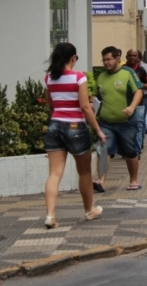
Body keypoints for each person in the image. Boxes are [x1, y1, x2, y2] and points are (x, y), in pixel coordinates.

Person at [43, 43, 106, 228]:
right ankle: (89, 211)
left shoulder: (48, 79)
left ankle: (50, 215)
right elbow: (85, 107)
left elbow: (51, 106)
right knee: (85, 171)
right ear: (72, 58)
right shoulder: (79, 77)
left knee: (54, 173)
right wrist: (98, 130)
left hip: (55, 126)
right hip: (75, 126)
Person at [93, 46, 143, 191]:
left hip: (127, 122)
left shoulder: (128, 73)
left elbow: (138, 91)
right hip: (106, 122)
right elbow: (96, 94)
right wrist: (91, 102)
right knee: (104, 149)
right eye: (104, 60)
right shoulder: (101, 76)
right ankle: (101, 181)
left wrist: (131, 107)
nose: (106, 63)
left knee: (130, 152)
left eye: (109, 59)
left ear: (117, 59)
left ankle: (134, 180)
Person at [125, 50, 147, 150]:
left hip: (141, 102)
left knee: (139, 124)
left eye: (135, 56)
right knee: (126, 124)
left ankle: (138, 146)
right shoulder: (122, 70)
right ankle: (128, 146)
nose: (132, 57)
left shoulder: (142, 70)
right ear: (126, 57)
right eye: (130, 55)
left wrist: (141, 86)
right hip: (125, 102)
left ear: (138, 58)